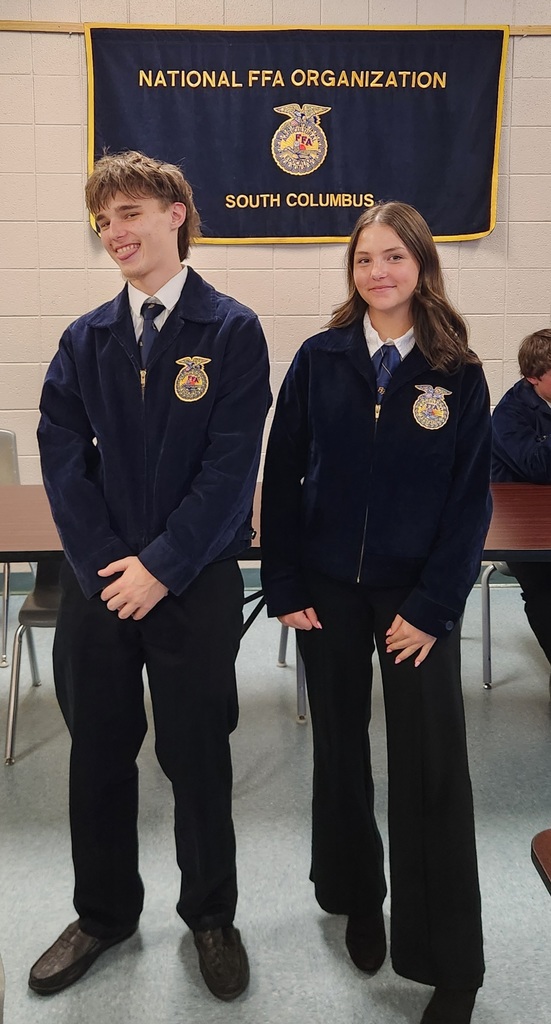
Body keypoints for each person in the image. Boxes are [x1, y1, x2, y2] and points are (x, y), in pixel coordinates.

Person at [30, 151, 271, 1001]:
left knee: (196, 754)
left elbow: (230, 467)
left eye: (129, 211)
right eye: (103, 220)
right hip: (101, 585)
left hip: (191, 580)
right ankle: (103, 915)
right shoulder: (86, 337)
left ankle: (210, 914)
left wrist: (163, 566)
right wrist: (109, 569)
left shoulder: (230, 331)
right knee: (97, 752)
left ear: (177, 214)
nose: (115, 232)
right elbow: (62, 456)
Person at [261, 201, 492, 1024]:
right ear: (352, 273)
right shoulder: (321, 360)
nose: (378, 273)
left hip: (415, 598)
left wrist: (432, 607)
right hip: (325, 590)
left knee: (432, 767)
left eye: (393, 257)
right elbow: (281, 475)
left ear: (422, 267)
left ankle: (449, 964)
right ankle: (357, 895)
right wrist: (282, 585)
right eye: (364, 260)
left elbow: (469, 507)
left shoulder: (456, 372)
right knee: (338, 751)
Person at [492, 328, 551, 684]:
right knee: (545, 590)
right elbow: (537, 468)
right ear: (533, 378)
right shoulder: (509, 414)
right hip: (519, 527)